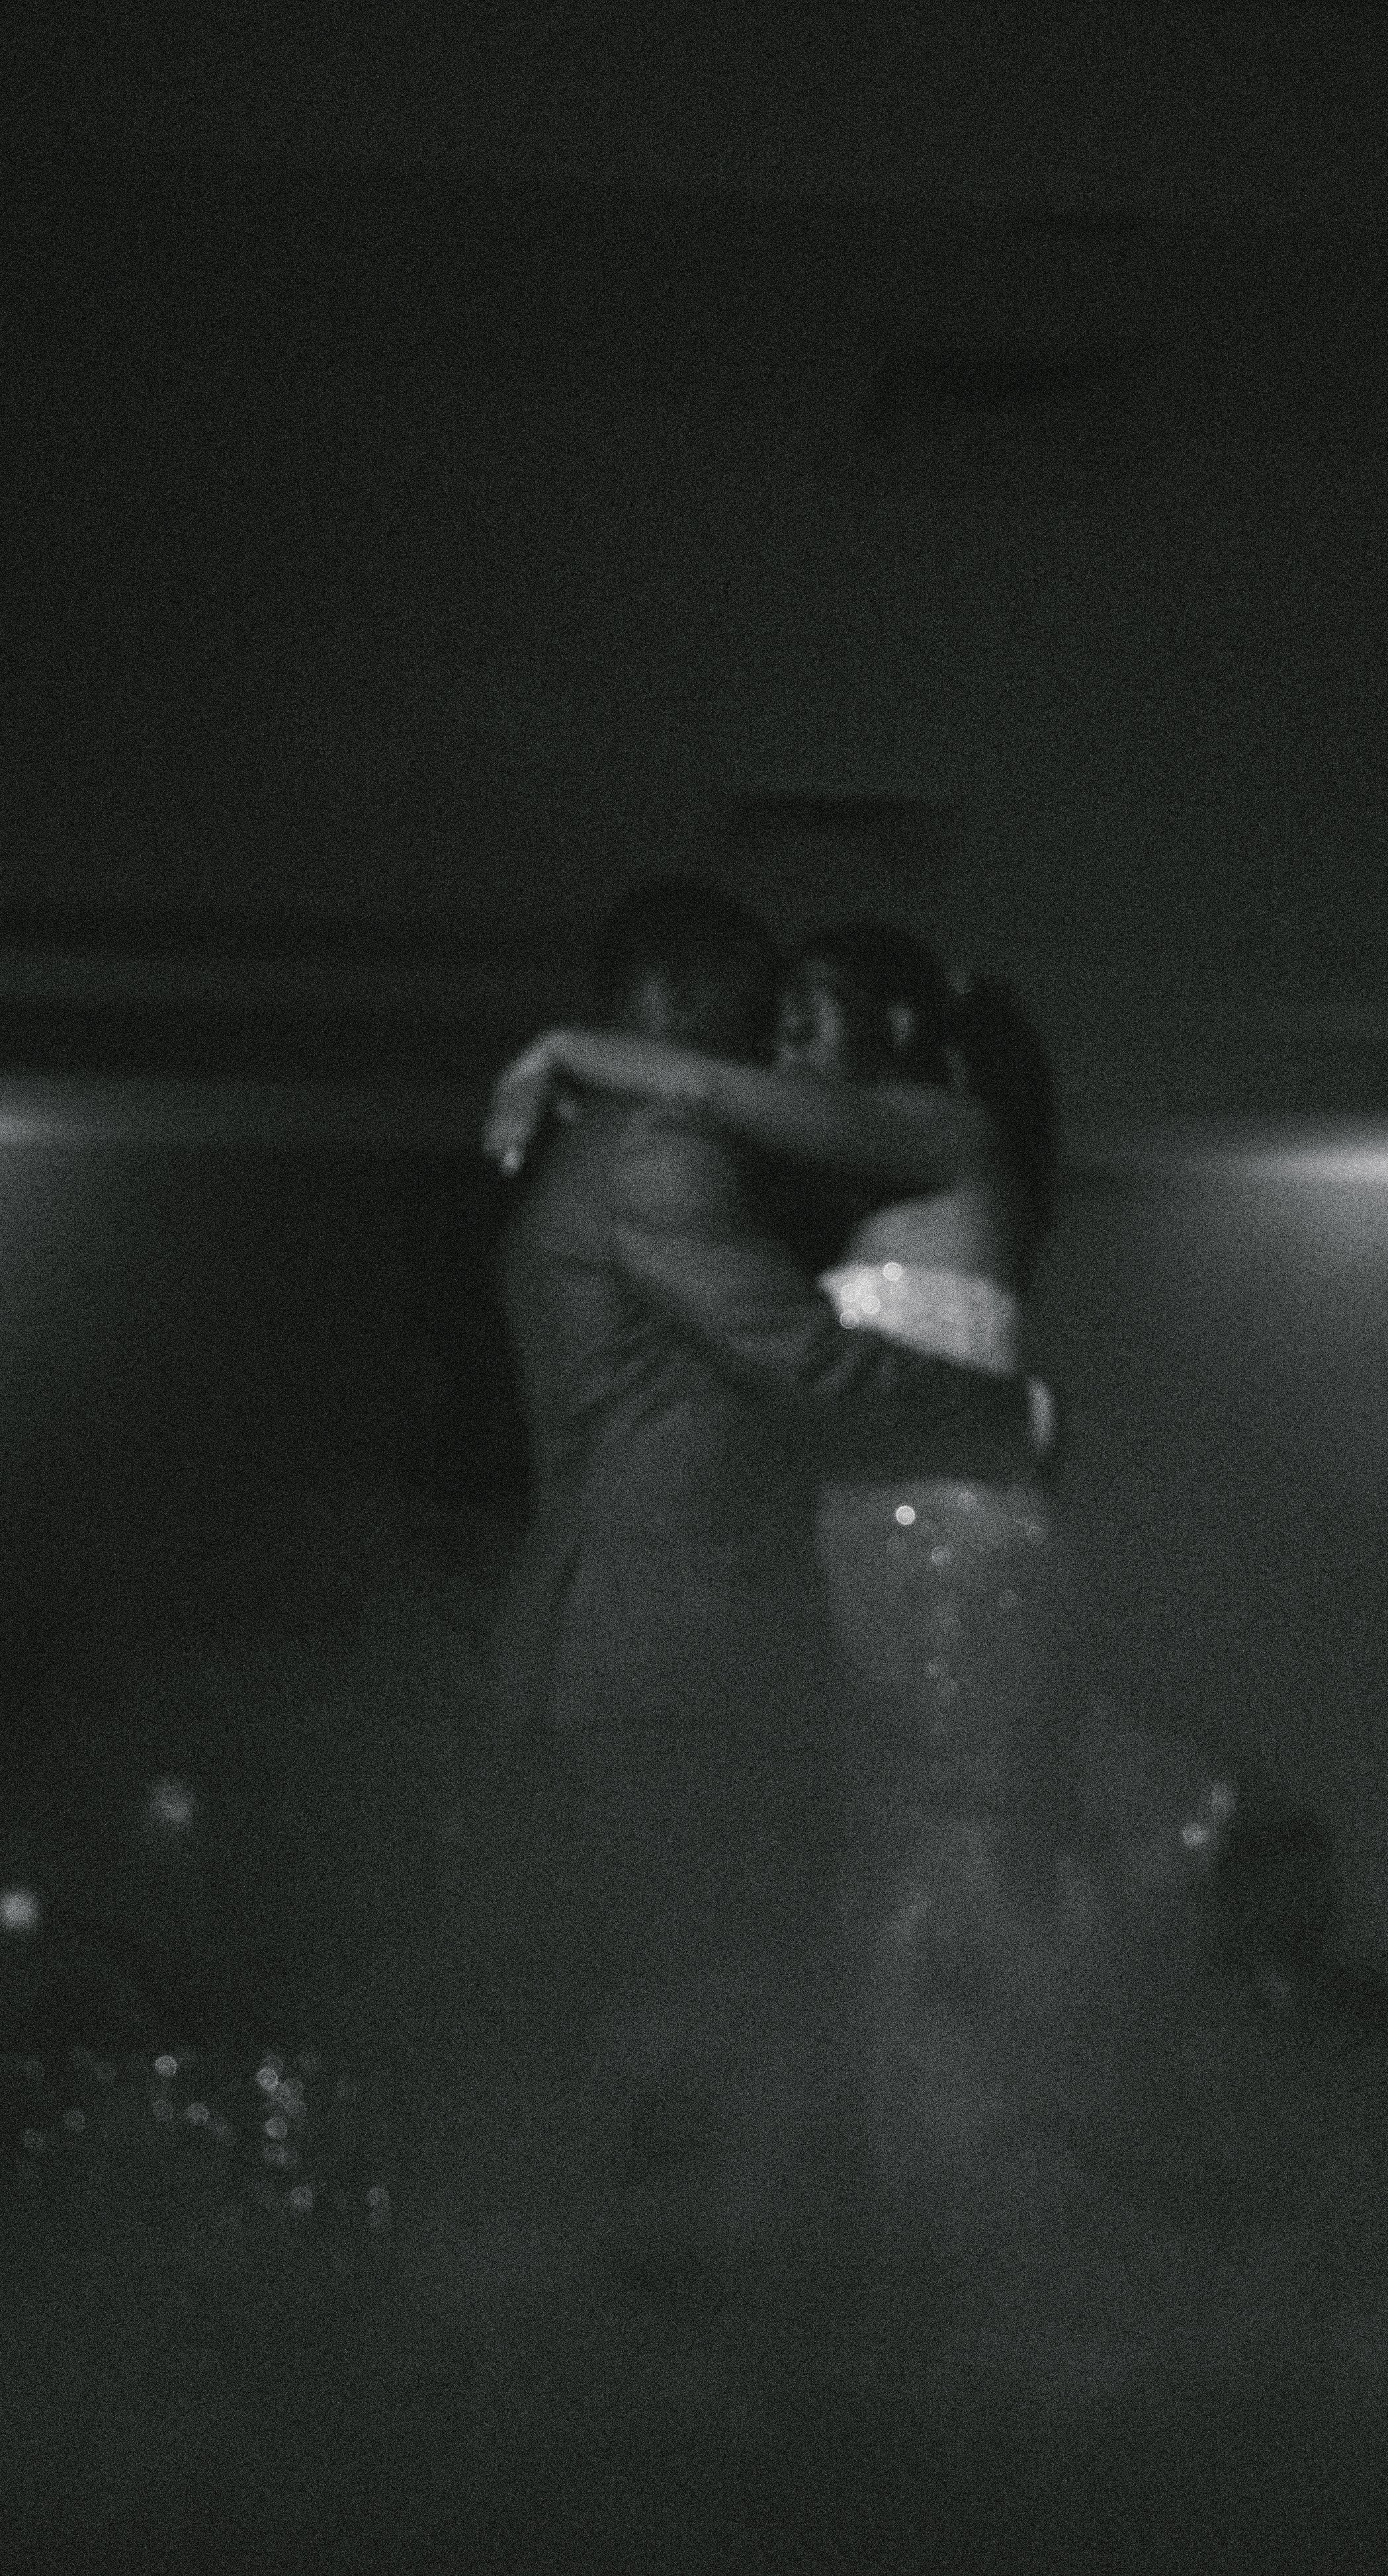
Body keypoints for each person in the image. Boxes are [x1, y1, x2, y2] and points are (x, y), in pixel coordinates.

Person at [478, 883, 1053, 2291]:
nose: (770, 1054)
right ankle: (740, 2325)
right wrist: (1018, 1420)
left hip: (665, 1631)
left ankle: (715, 2313)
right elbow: (805, 1362)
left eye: (800, 1020)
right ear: (693, 1010)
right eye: (759, 1014)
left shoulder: (597, 1161)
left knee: (724, 1997)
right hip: (675, 1649)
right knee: (719, 2007)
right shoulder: (652, 1154)